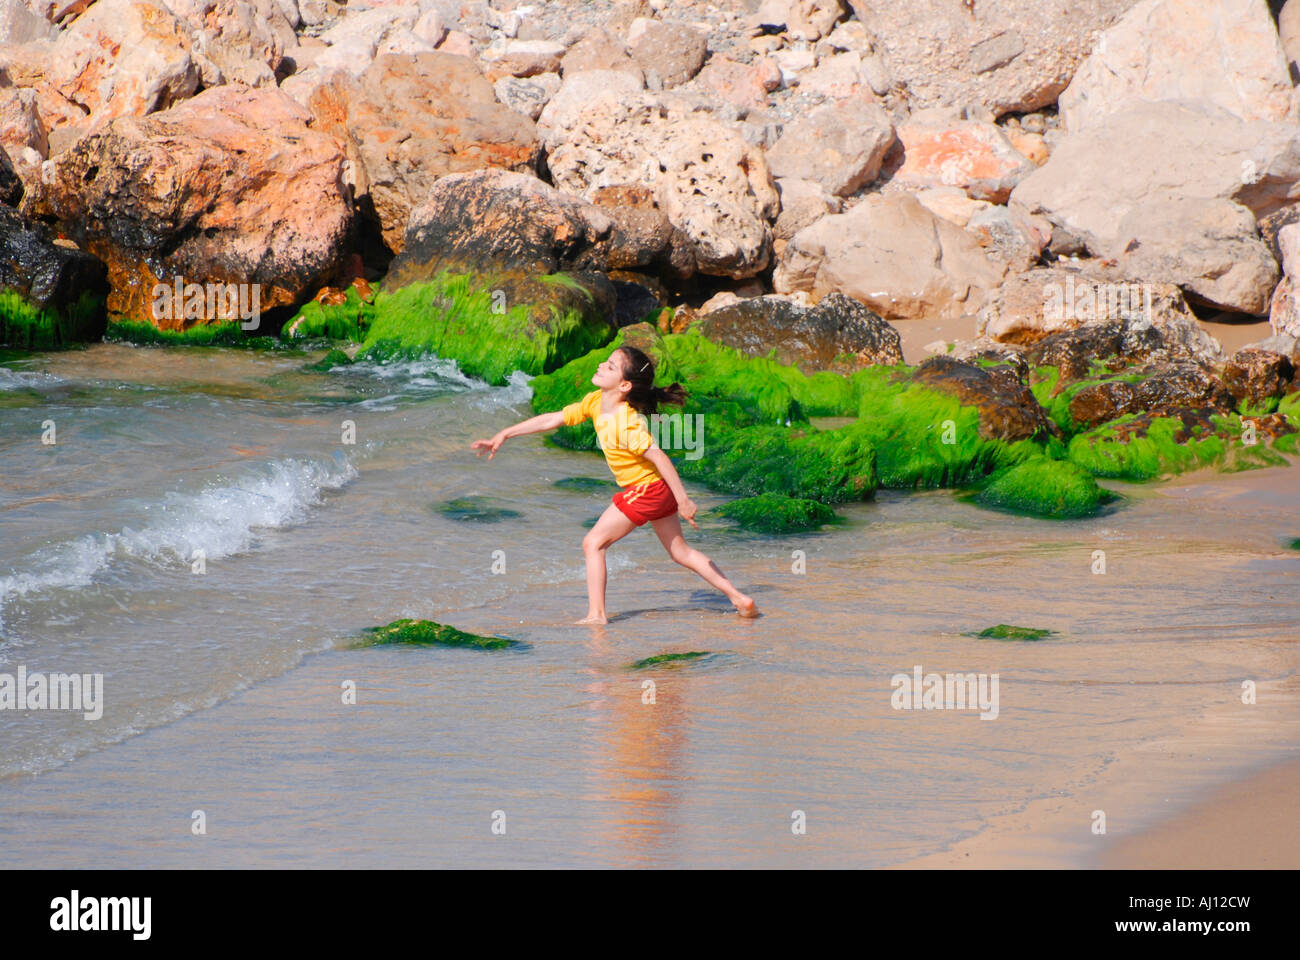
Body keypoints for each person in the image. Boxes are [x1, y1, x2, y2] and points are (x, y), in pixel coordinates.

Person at [472, 345, 759, 624]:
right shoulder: (596, 402)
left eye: (610, 366)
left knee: (593, 543)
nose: (601, 365)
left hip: (647, 490)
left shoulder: (626, 422)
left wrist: (684, 500)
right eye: (606, 362)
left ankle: (597, 615)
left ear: (624, 386)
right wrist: (505, 434)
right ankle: (738, 598)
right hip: (655, 489)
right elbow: (554, 418)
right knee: (679, 552)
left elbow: (658, 455)